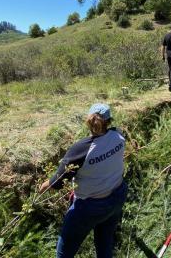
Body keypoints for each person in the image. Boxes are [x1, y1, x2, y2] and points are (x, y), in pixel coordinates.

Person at [39, 103, 127, 258]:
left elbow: (57, 182)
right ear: (109, 121)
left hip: (89, 207)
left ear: (88, 121)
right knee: (105, 242)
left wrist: (42, 187)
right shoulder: (118, 135)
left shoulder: (80, 149)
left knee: (64, 252)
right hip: (117, 196)